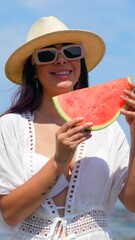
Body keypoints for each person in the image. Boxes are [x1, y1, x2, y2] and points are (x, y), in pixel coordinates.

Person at [0, 16, 135, 240]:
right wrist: (57, 162)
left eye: (71, 52)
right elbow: (9, 215)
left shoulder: (108, 130)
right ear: (33, 70)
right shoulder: (11, 127)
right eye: (47, 55)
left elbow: (132, 203)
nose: (61, 61)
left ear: (80, 63)